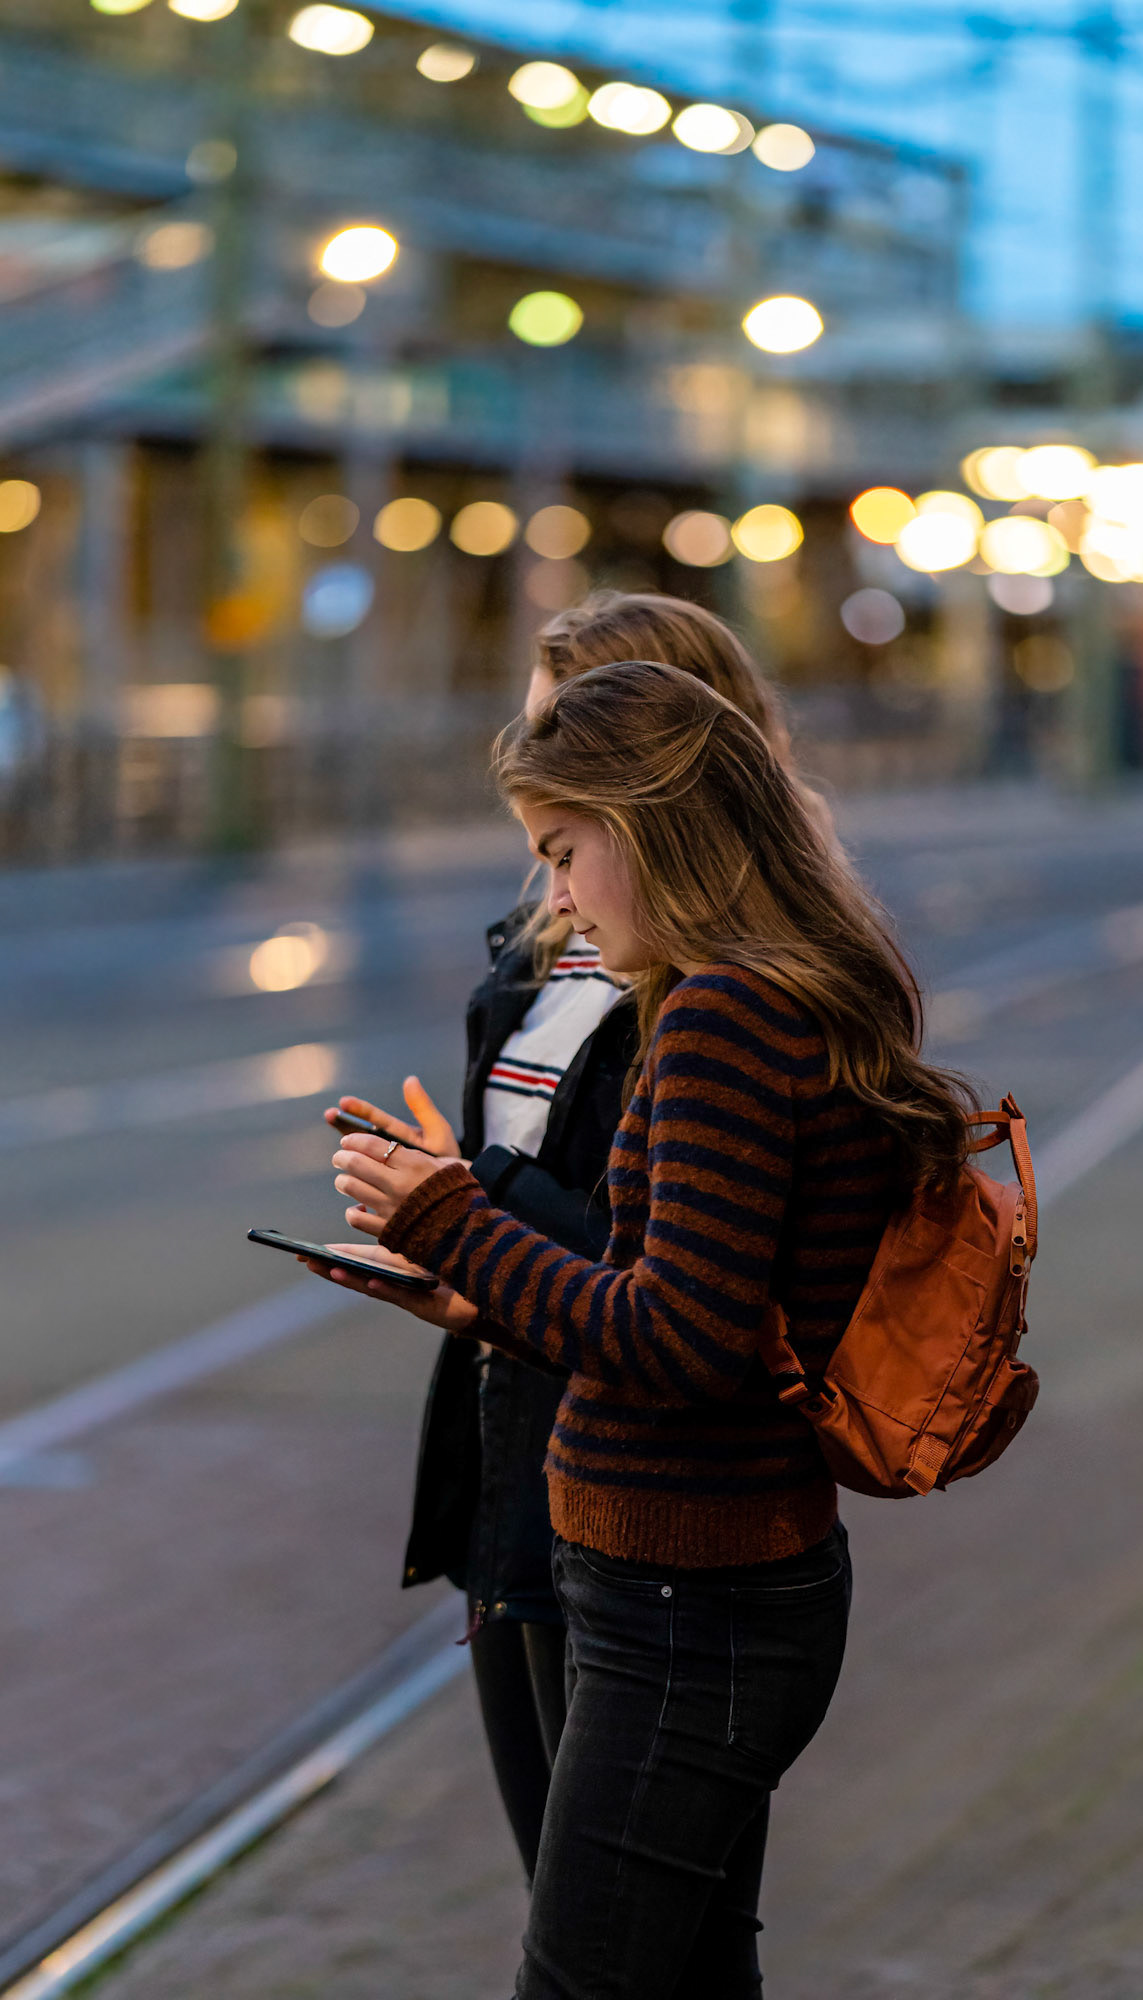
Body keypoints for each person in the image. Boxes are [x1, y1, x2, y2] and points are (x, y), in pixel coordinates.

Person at [307, 660, 970, 1998]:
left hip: (685, 1601)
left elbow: (681, 1338)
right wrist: (482, 1275)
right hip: (717, 1584)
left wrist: (453, 1223)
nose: (551, 898)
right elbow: (670, 1286)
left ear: (649, 826)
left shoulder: (721, 1014)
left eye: (563, 853)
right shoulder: (795, 983)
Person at [323, 593, 800, 1885]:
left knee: (616, 1933)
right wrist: (448, 1229)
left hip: (647, 1494)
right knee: (593, 1911)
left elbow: (680, 1289)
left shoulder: (714, 998)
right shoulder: (542, 953)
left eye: (556, 741)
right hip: (518, 1450)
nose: (531, 770)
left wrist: (461, 1212)